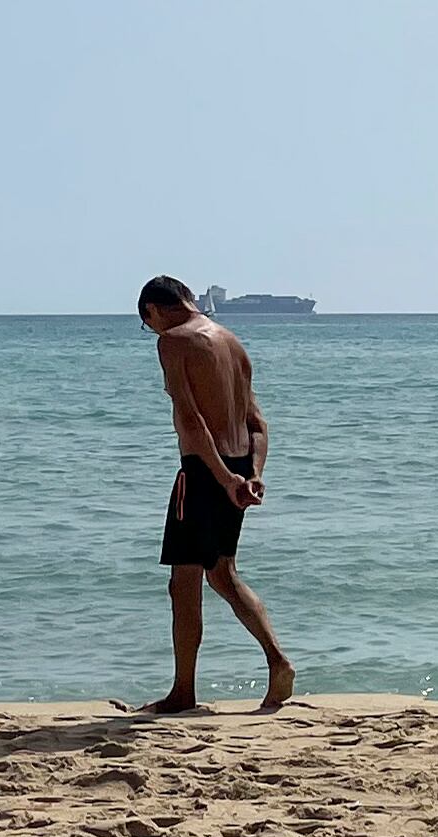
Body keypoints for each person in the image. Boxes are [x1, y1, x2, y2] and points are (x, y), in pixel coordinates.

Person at [133, 275, 295, 714]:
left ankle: (183, 692)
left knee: (184, 583)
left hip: (206, 473)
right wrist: (251, 475)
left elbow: (190, 421)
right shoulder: (233, 343)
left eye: (148, 324)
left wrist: (223, 479)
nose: (153, 332)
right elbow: (258, 423)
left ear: (154, 311)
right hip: (240, 466)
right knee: (223, 573)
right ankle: (278, 660)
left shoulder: (174, 342)